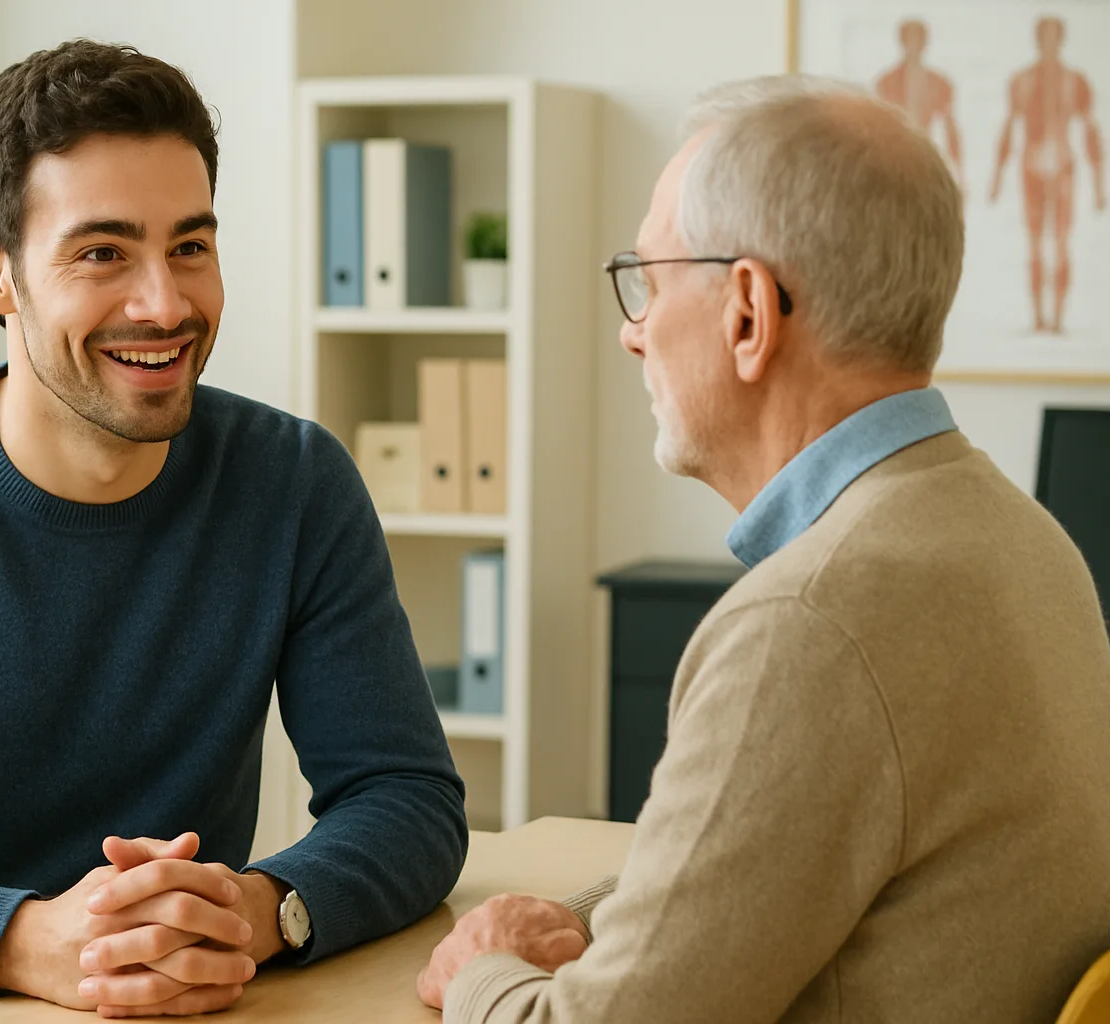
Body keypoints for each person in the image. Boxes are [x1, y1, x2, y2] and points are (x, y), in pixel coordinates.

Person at [0, 38, 467, 1019]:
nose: (165, 302)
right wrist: (25, 941)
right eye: (103, 252)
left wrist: (257, 910)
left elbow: (407, 798)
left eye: (190, 247)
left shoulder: (296, 483)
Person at [418, 74, 1110, 1024]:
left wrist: (480, 971)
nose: (631, 333)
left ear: (748, 312)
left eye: (649, 282)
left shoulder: (810, 622)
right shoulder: (1026, 541)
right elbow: (802, 867)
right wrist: (598, 916)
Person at [987, 16, 1106, 334]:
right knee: (1036, 243)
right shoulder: (1022, 81)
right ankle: (1039, 316)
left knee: (1062, 242)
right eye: (1045, 37)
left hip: (1063, 165)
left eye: (1054, 38)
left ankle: (1059, 317)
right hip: (1032, 166)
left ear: (1061, 40)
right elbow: (1009, 127)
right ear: (1038, 40)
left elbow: (1091, 131)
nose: (1049, 44)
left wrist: (1099, 183)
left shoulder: (1075, 82)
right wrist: (997, 177)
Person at [874, 19, 964, 191]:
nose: (914, 46)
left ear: (925, 43)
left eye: (918, 40)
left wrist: (959, 172)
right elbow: (876, 129)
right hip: (893, 159)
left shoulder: (940, 83)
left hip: (924, 158)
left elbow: (950, 129)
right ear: (902, 41)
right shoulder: (886, 82)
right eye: (910, 40)